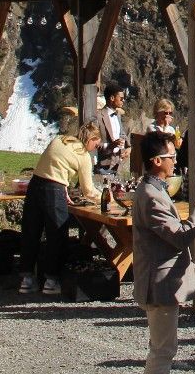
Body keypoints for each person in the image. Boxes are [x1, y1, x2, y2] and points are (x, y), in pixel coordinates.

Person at [132, 130, 195, 374]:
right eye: (171, 156)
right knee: (163, 350)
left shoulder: (153, 190)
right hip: (159, 284)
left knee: (161, 346)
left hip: (160, 281)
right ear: (157, 161)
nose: (176, 161)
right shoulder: (152, 196)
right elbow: (180, 236)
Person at [21, 123, 101, 295]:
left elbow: (52, 164)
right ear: (91, 139)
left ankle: (27, 278)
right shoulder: (83, 156)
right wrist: (105, 197)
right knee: (56, 233)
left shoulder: (59, 139)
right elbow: (88, 191)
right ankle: (51, 279)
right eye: (96, 144)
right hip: (54, 190)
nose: (96, 148)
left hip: (35, 185)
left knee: (31, 231)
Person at [97, 84, 131, 175]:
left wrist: (128, 147)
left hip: (117, 164)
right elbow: (93, 142)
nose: (123, 100)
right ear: (112, 98)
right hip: (102, 165)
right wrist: (111, 145)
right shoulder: (98, 117)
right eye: (121, 98)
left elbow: (122, 134)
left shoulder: (118, 115)